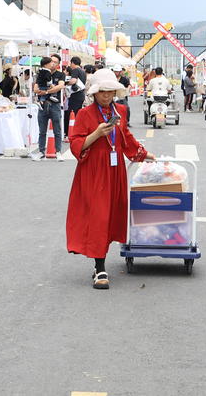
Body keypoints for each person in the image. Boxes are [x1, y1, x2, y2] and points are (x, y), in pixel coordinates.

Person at [65, 69, 151, 289]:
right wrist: (96, 134)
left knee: (112, 214)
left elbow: (126, 138)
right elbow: (76, 145)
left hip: (115, 170)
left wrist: (144, 154)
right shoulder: (84, 114)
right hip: (93, 171)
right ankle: (100, 266)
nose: (106, 95)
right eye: (102, 91)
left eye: (110, 91)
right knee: (98, 216)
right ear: (94, 93)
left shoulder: (120, 110)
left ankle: (101, 258)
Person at [33, 54, 67, 161]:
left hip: (55, 104)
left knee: (57, 129)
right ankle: (41, 151)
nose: (52, 63)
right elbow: (35, 87)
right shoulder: (41, 73)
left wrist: (47, 91)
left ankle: (58, 152)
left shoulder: (60, 74)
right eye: (51, 61)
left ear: (58, 64)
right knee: (42, 130)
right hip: (43, 104)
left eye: (55, 62)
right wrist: (41, 90)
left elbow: (60, 86)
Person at [66, 56, 87, 134]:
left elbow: (73, 81)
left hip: (75, 94)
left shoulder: (75, 70)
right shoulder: (83, 71)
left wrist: (65, 83)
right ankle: (78, 130)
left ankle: (71, 131)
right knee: (78, 113)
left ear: (72, 62)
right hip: (81, 94)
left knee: (72, 113)